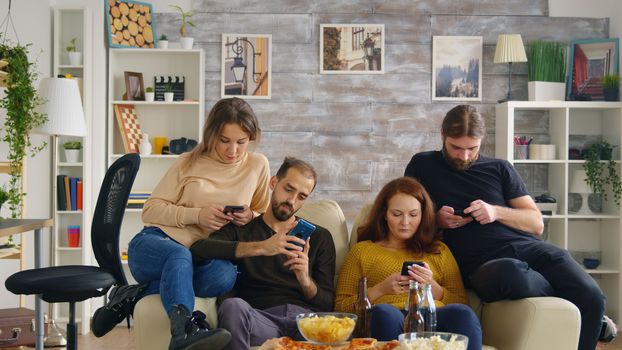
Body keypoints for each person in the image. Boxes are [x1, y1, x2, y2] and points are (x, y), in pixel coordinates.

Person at [404, 104, 610, 350]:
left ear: (482, 141)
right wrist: (436, 220)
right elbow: (403, 214)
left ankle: (592, 320)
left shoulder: (500, 168)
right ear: (442, 135)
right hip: (482, 266)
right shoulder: (422, 164)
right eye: (456, 148)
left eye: (472, 148)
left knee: (592, 295)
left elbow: (536, 223)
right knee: (511, 273)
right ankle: (585, 313)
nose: (464, 156)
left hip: (529, 248)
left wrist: (495, 211)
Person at [127, 97, 271, 350]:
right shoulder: (188, 161)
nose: (233, 150)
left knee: (225, 276)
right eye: (224, 141)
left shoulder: (258, 165)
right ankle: (186, 329)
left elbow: (263, 214)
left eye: (241, 142)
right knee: (179, 255)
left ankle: (131, 294)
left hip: (204, 255)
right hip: (158, 243)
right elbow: (150, 210)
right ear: (211, 134)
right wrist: (196, 215)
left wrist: (249, 217)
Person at [190, 157, 336, 350]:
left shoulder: (320, 237)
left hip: (306, 323)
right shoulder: (242, 231)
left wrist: (305, 279)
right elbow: (199, 249)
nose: (292, 201)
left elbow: (328, 303)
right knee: (233, 307)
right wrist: (261, 247)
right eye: (288, 189)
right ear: (273, 183)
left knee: (334, 326)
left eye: (301, 196)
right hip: (260, 319)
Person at [335, 177, 482, 349]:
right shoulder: (363, 251)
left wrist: (433, 288)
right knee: (384, 313)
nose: (405, 222)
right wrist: (380, 290)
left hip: (433, 319)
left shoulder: (439, 250)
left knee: (463, 314)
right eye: (396, 214)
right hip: (389, 317)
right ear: (384, 214)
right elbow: (340, 308)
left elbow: (462, 303)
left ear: (423, 214)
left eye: (413, 215)